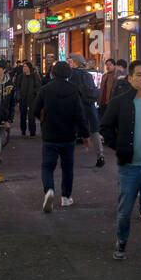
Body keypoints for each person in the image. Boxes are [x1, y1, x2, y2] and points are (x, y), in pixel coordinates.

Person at [99, 59, 141, 274]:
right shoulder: (120, 102)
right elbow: (105, 127)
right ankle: (121, 240)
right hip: (129, 168)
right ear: (130, 78)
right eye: (139, 74)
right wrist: (118, 147)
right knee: (125, 212)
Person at [33, 60, 92, 211]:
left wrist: (43, 119)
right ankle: (66, 197)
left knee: (47, 166)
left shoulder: (45, 90)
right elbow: (80, 114)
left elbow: (35, 110)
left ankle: (49, 190)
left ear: (52, 72)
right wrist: (85, 134)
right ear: (69, 73)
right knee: (67, 167)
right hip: (68, 135)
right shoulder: (74, 90)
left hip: (50, 135)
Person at [67, 52, 104, 167]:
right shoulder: (87, 74)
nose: (69, 63)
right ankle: (100, 156)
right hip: (90, 106)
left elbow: (72, 92)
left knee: (72, 131)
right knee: (94, 131)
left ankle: (68, 157)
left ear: (74, 62)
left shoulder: (72, 75)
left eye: (70, 61)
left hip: (78, 106)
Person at [14, 60, 41, 136]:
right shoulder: (21, 76)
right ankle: (23, 130)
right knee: (23, 115)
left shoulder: (34, 76)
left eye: (26, 67)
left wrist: (34, 93)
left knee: (31, 116)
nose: (24, 68)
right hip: (23, 99)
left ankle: (32, 132)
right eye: (23, 67)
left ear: (29, 68)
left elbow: (38, 87)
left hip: (32, 99)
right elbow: (17, 87)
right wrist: (19, 96)